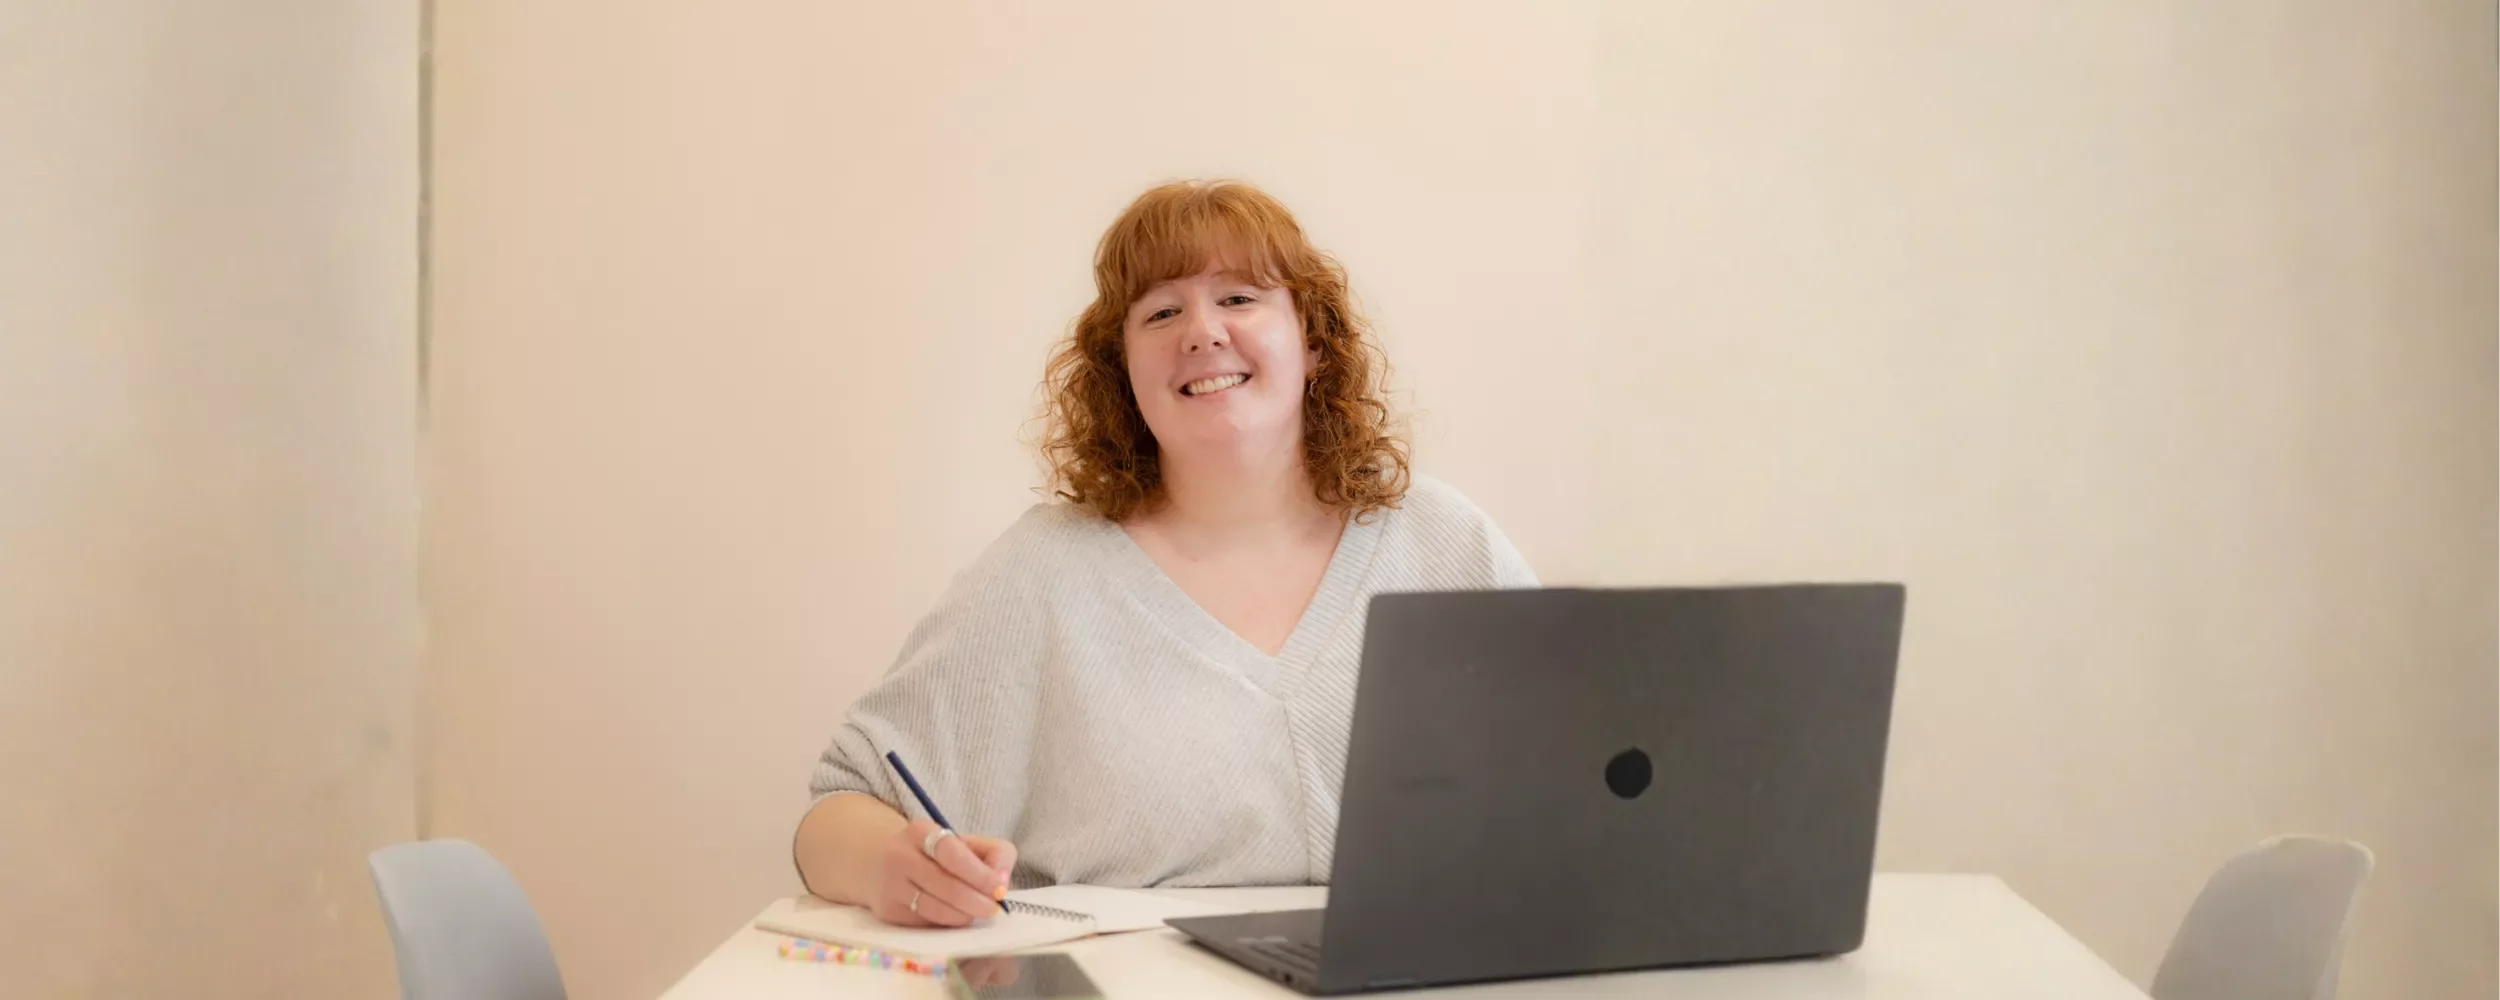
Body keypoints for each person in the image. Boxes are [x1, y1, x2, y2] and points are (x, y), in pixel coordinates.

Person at [791, 179, 1536, 928]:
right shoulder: (1041, 573)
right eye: (1162, 313)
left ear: (1312, 342)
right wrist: (893, 866)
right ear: (1123, 370)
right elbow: (837, 813)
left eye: (1239, 298)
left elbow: (1575, 780)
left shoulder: (1446, 542)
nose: (1203, 333)